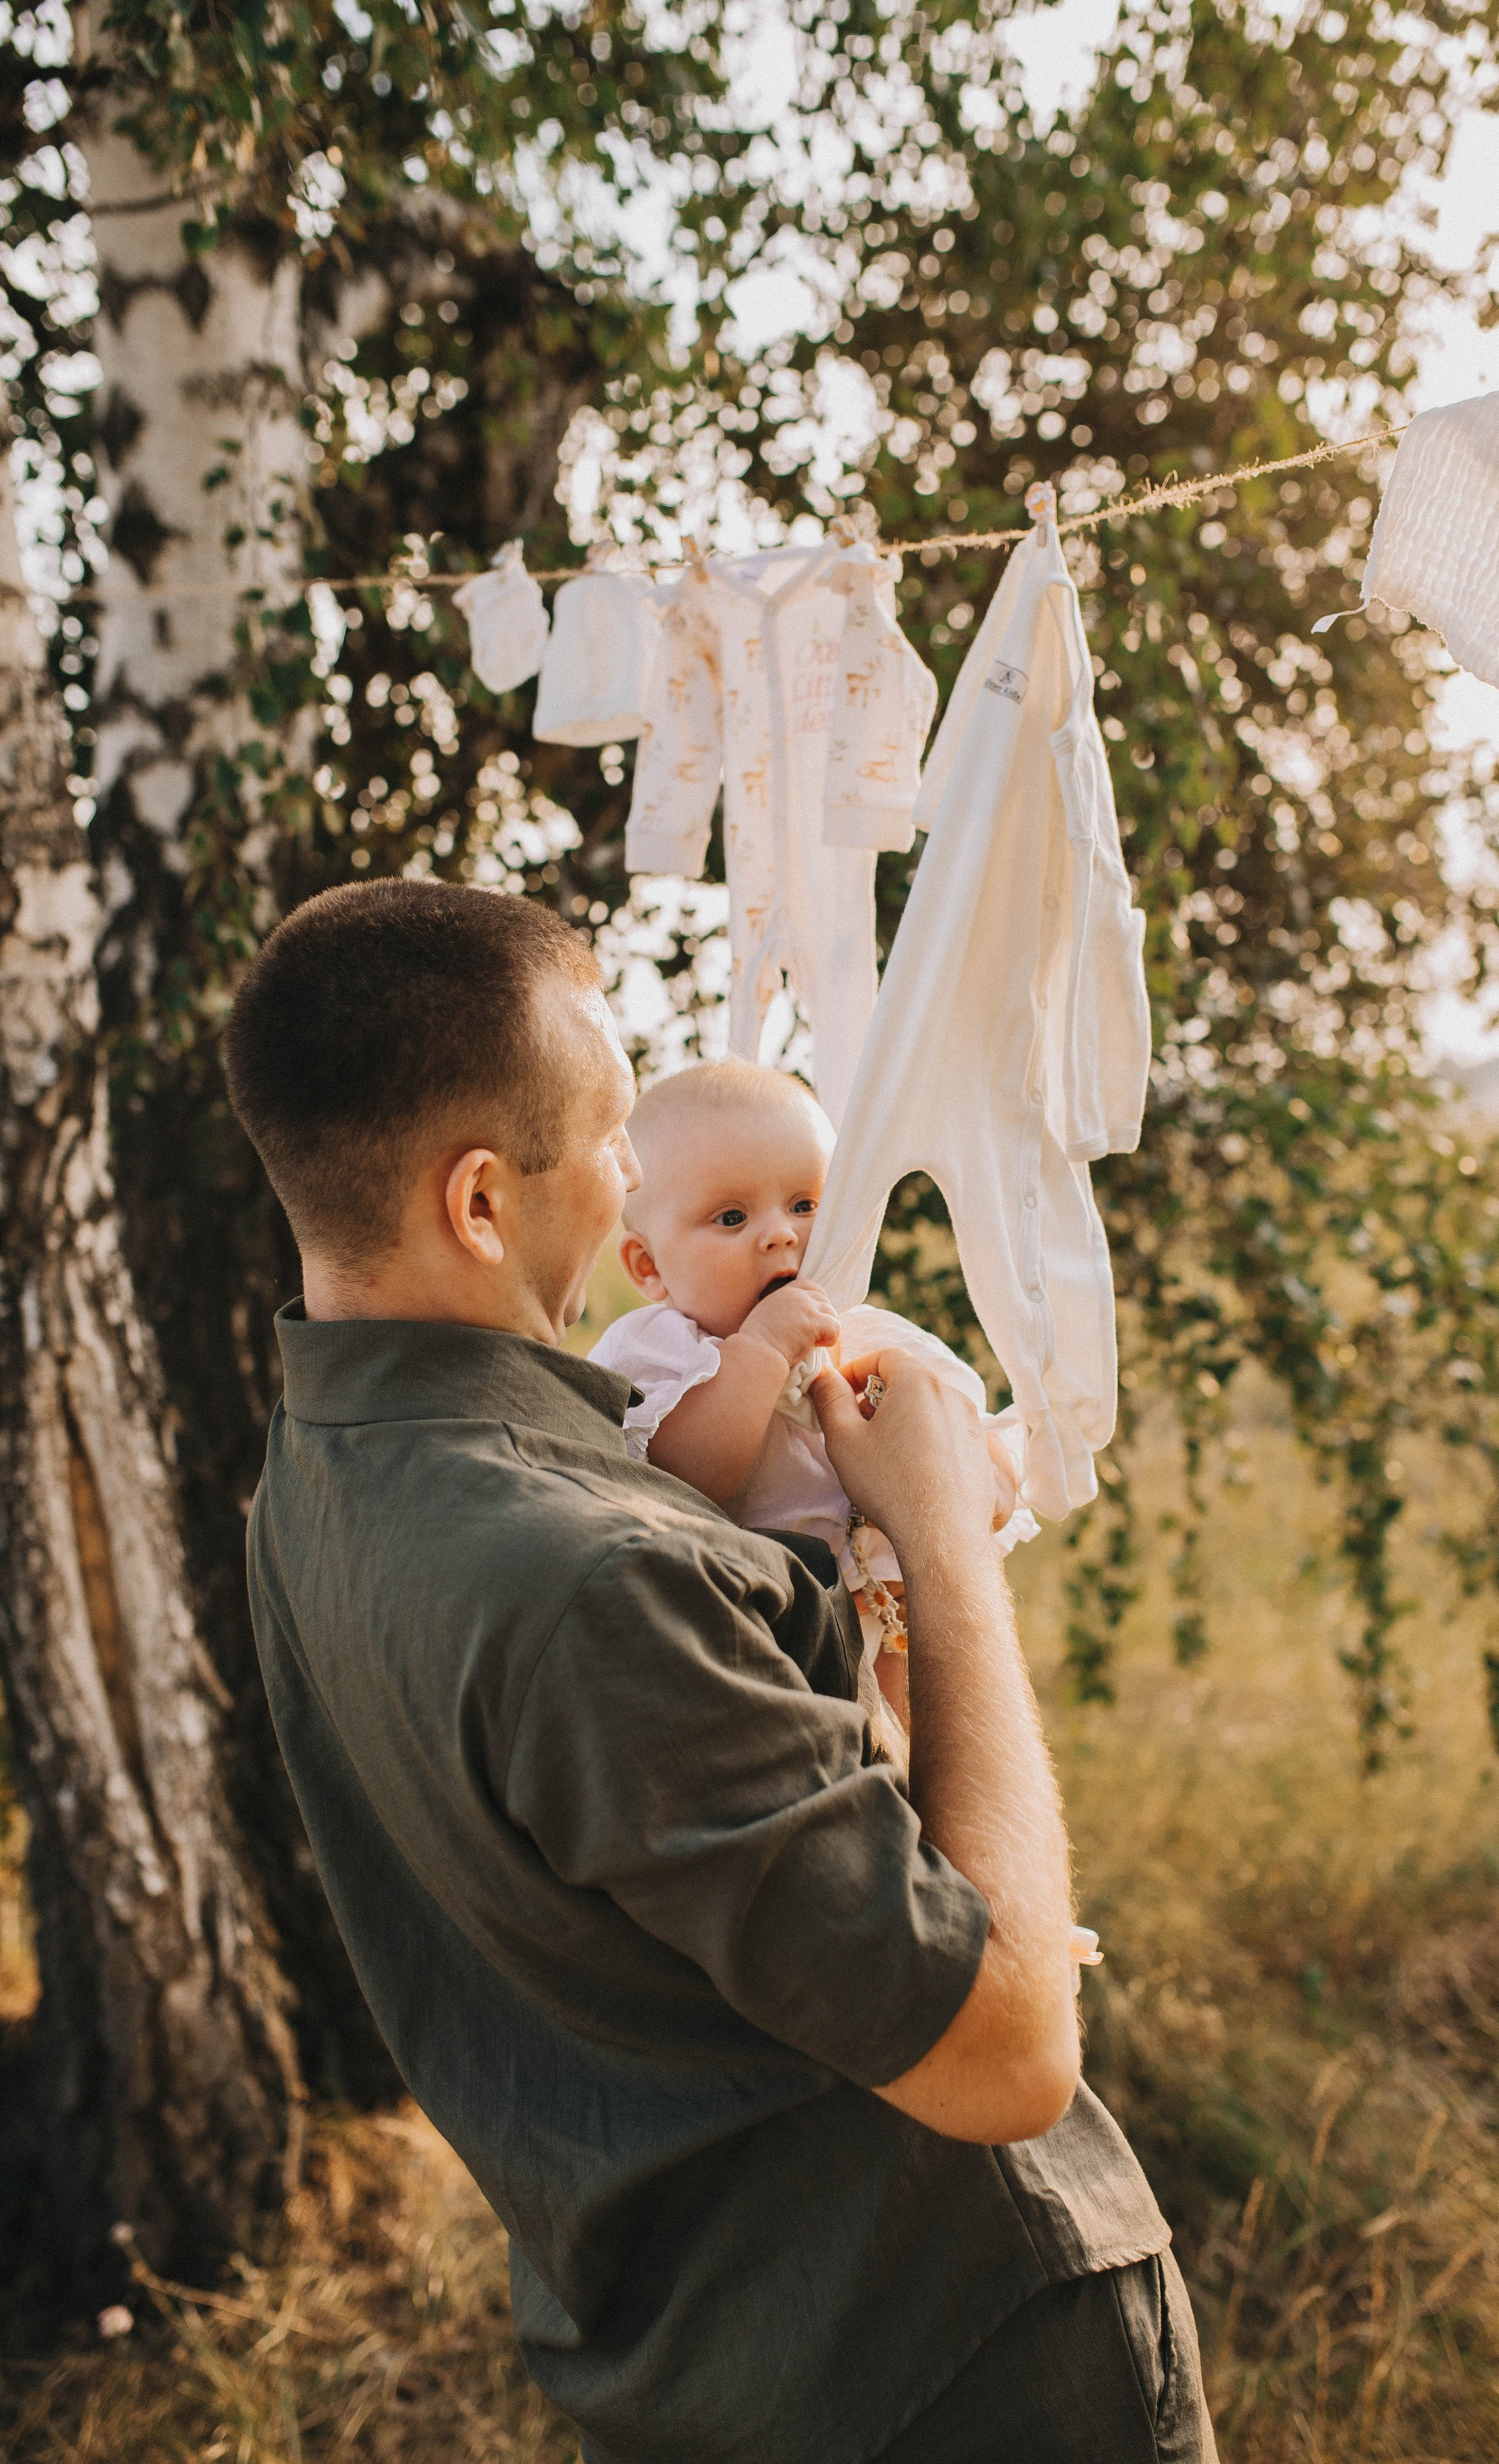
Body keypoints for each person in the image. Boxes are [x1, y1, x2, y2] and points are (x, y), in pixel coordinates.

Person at [225, 877, 1217, 2464]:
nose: (634, 1170)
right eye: (615, 1133)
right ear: (481, 1203)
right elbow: (1009, 2052)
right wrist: (941, 1539)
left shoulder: (319, 1472)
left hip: (686, 2368)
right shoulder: (596, 1575)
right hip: (939, 2366)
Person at [587, 1058, 1037, 1743]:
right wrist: (761, 1353)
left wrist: (988, 1474)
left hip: (887, 1618)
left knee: (920, 1747)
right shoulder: (661, 1350)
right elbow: (683, 1478)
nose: (780, 1234)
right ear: (649, 1267)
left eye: (806, 1204)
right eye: (731, 1217)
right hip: (757, 1633)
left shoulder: (873, 1339)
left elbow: (974, 1465)